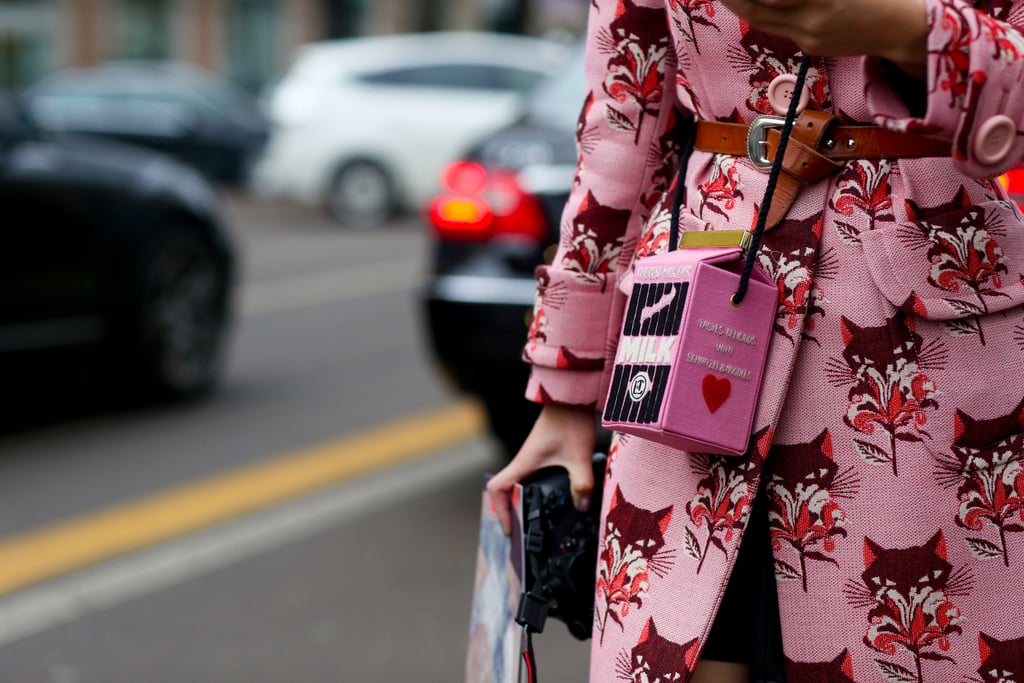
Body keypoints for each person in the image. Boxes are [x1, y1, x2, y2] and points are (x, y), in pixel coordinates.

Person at [486, 0, 1024, 681]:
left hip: (930, 350)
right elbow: (621, 125)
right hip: (694, 301)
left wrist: (903, 30)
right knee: (686, 646)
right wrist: (565, 385)